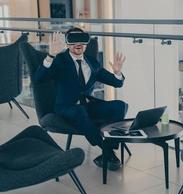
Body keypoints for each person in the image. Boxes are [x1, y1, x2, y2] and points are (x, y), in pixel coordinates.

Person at [35, 27, 126, 171]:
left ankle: (110, 146)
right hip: (66, 108)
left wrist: (117, 72)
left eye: (82, 41)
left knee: (119, 105)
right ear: (67, 43)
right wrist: (51, 55)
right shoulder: (59, 60)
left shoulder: (92, 63)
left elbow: (117, 83)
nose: (78, 44)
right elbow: (39, 79)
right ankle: (107, 151)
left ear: (86, 43)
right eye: (73, 40)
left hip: (88, 106)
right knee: (79, 112)